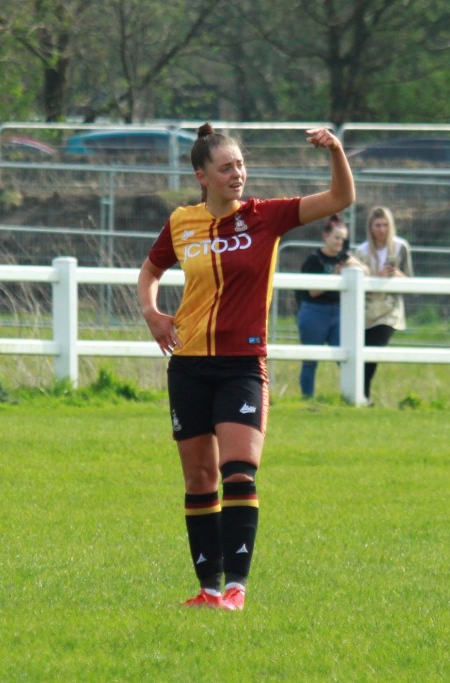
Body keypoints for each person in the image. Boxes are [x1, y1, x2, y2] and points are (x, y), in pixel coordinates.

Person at [136, 123, 355, 611]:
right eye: (226, 168)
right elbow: (150, 271)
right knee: (199, 481)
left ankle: (236, 588)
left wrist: (336, 150)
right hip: (188, 365)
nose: (237, 174)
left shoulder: (266, 217)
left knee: (238, 473)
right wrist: (152, 313)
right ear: (202, 177)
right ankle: (208, 589)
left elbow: (341, 198)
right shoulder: (182, 222)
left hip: (241, 366)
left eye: (240, 165)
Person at [295, 214, 363, 398]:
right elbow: (312, 291)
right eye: (336, 238)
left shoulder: (345, 258)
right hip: (314, 312)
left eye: (343, 239)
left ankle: (351, 396)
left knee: (347, 357)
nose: (340, 242)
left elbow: (364, 272)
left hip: (338, 312)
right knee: (310, 360)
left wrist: (354, 264)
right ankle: (307, 398)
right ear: (326, 236)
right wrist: (335, 275)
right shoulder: (314, 260)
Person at [355, 206, 413, 403]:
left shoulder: (400, 247)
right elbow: (358, 281)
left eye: (385, 225)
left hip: (390, 310)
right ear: (370, 227)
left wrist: (396, 274)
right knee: (363, 353)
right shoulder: (361, 251)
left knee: (375, 349)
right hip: (366, 310)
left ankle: (363, 394)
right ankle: (362, 396)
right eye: (377, 225)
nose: (381, 230)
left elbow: (410, 279)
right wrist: (376, 277)